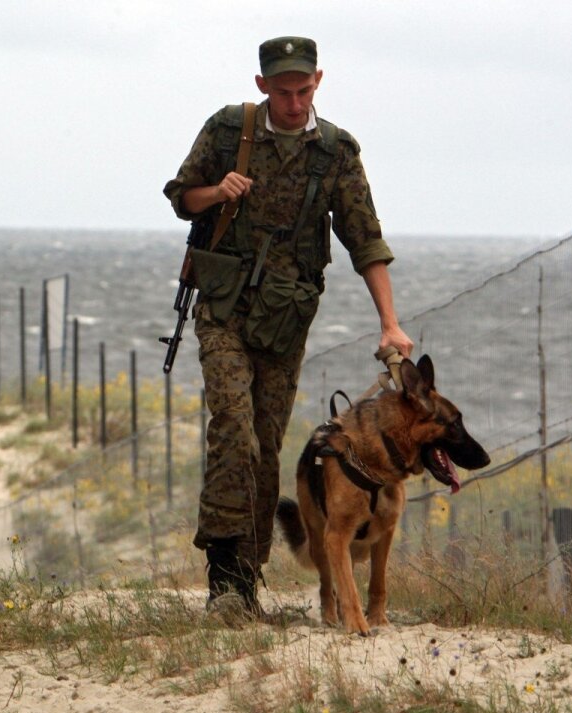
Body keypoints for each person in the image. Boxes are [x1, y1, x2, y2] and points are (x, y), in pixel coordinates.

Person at [163, 37, 414, 617]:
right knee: (233, 428)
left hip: (284, 323)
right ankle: (224, 581)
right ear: (262, 87)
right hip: (222, 310)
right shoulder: (229, 130)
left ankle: (247, 580)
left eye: (304, 90)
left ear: (318, 82)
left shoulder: (335, 152)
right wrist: (215, 191)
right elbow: (181, 197)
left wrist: (390, 323)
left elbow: (364, 239)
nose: (295, 102)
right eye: (283, 91)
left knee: (266, 450)